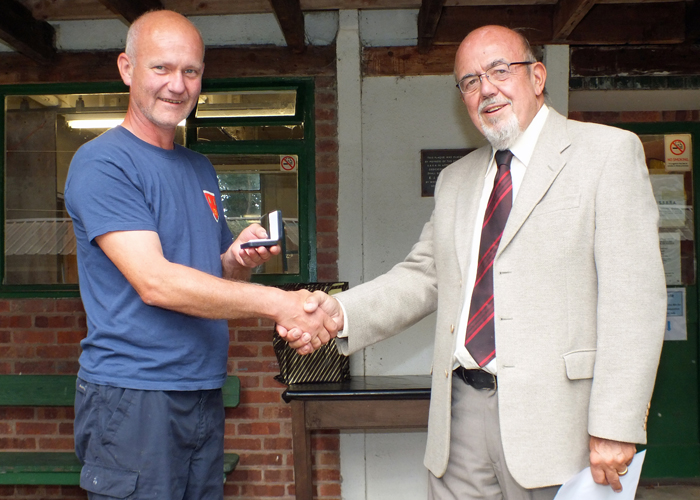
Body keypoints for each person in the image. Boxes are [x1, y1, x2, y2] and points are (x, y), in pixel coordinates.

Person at [286, 25, 666, 500]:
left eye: (499, 71)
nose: (486, 88)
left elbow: (634, 301)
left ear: (538, 76)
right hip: (459, 418)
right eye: (469, 81)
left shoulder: (606, 154)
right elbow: (423, 276)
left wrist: (614, 423)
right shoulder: (456, 180)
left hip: (559, 425)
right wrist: (339, 313)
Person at [64, 10, 335, 500]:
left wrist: (237, 261)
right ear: (127, 69)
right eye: (161, 68)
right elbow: (156, 282)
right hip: (135, 396)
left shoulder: (198, 167)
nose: (177, 85)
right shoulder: (103, 162)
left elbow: (212, 275)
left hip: (200, 388)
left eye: (190, 71)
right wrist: (281, 304)